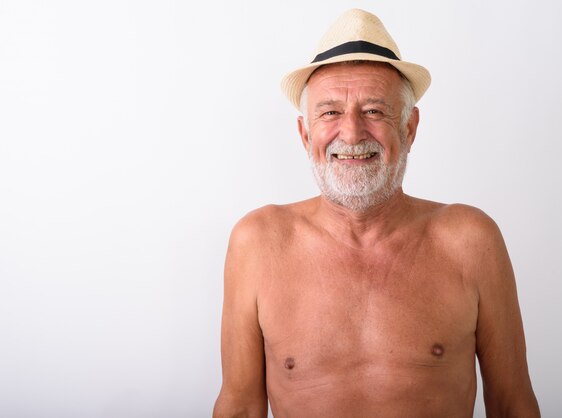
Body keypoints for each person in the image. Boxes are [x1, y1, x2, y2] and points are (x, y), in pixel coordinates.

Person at [213, 8, 539, 418]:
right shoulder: (258, 242)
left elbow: (512, 404)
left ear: (409, 128)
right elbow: (240, 407)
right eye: (330, 112)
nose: (351, 133)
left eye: (374, 111)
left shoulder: (471, 240)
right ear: (304, 133)